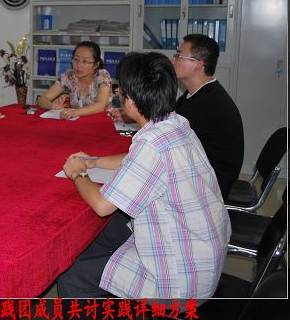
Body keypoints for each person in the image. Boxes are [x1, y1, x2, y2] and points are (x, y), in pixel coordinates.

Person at [59, 52, 230, 299]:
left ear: (129, 101)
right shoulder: (176, 123)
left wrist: (79, 173)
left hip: (181, 279)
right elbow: (135, 159)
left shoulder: (152, 144)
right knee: (100, 233)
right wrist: (95, 161)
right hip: (203, 249)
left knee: (73, 275)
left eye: (120, 91)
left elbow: (102, 205)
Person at [110, 35, 243, 201]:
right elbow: (166, 118)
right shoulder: (196, 94)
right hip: (197, 173)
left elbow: (163, 137)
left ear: (199, 64)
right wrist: (134, 113)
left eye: (179, 56)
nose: (173, 61)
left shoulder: (208, 104)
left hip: (208, 185)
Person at [36, 41, 112, 119]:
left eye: (85, 61)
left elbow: (101, 105)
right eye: (76, 59)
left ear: (96, 65)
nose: (78, 65)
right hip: (76, 122)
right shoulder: (69, 76)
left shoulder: (102, 75)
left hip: (101, 121)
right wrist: (52, 106)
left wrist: (76, 112)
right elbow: (42, 99)